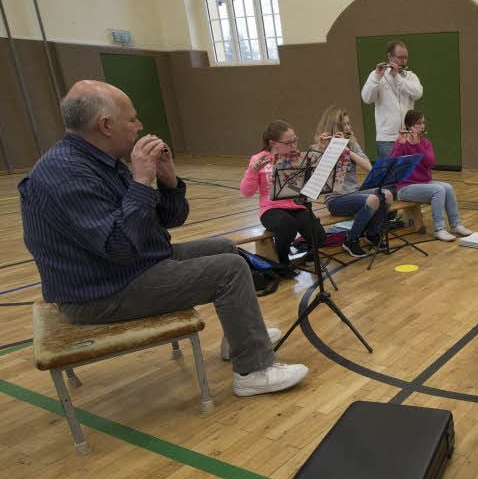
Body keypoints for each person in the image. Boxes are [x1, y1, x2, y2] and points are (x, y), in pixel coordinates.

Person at [19, 80, 308, 397]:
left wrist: (168, 183)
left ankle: (240, 337)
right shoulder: (67, 172)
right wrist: (142, 181)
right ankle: (253, 370)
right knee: (229, 269)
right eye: (132, 119)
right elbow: (121, 246)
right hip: (99, 292)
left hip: (125, 268)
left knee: (225, 248)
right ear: (105, 125)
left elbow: (167, 221)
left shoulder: (100, 161)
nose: (139, 126)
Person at [241, 120, 325, 270]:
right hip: (270, 209)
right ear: (273, 143)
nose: (293, 145)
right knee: (287, 227)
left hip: (296, 206)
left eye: (295, 141)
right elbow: (247, 192)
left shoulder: (296, 157)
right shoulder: (258, 159)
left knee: (318, 234)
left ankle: (309, 256)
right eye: (289, 142)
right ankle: (283, 261)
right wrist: (253, 171)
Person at [314, 106, 394, 258]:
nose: (348, 127)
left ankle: (372, 233)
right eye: (344, 125)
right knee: (373, 199)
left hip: (353, 193)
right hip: (336, 199)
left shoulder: (351, 143)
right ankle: (351, 240)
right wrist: (326, 149)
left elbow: (369, 167)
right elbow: (318, 175)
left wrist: (347, 150)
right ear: (334, 127)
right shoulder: (321, 146)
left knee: (387, 194)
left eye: (348, 124)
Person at [390, 110, 474, 242]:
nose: (422, 126)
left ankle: (456, 225)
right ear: (409, 126)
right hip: (405, 188)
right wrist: (401, 143)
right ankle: (439, 229)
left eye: (423, 123)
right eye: (418, 123)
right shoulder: (401, 144)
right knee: (438, 190)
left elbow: (430, 163)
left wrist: (417, 145)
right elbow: (392, 163)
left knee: (448, 187)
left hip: (424, 183)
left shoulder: (425, 143)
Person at [360, 40, 423, 158]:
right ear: (389, 56)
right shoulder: (377, 75)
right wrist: (377, 77)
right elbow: (367, 98)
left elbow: (418, 93)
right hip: (387, 139)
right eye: (400, 57)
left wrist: (397, 78)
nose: (403, 61)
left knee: (408, 174)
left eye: (405, 58)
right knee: (391, 174)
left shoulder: (411, 76)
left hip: (409, 135)